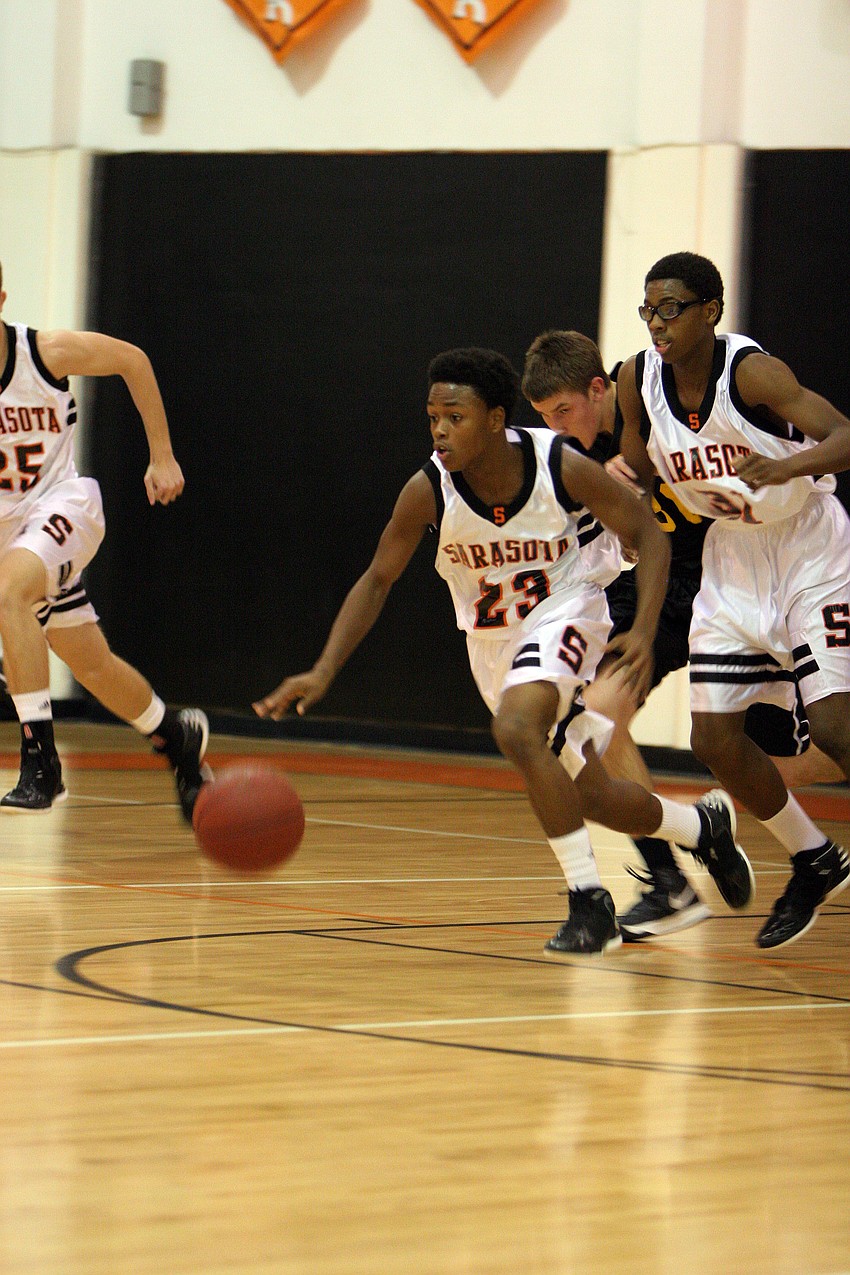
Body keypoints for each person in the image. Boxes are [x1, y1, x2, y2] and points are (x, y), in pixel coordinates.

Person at [254, 347, 754, 956]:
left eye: (455, 417)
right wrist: (324, 667)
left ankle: (588, 904)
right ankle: (701, 826)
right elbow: (378, 578)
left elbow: (648, 534)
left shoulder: (559, 465)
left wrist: (644, 630)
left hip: (569, 611)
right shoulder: (426, 491)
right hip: (493, 646)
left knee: (516, 730)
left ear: (495, 418)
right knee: (590, 794)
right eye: (432, 417)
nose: (440, 430)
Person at [522, 328, 844, 942]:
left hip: (724, 565)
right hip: (653, 581)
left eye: (564, 412)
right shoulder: (580, 447)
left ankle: (741, 833)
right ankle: (670, 879)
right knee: (599, 716)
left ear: (598, 389)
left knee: (800, 751)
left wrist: (640, 478)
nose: (558, 429)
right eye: (545, 418)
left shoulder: (654, 391)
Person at [616, 250, 850, 949]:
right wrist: (629, 508)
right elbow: (637, 461)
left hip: (809, 550)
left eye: (672, 308)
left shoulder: (751, 372)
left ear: (710, 311)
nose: (658, 322)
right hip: (733, 556)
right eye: (649, 309)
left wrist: (787, 462)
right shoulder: (636, 379)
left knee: (838, 730)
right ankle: (814, 858)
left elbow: (843, 435)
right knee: (713, 739)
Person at [0, 262, 208, 820]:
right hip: (8, 534)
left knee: (9, 594)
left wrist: (161, 454)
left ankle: (41, 763)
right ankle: (174, 735)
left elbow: (132, 361)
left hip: (63, 507)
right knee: (90, 664)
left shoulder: (44, 353)